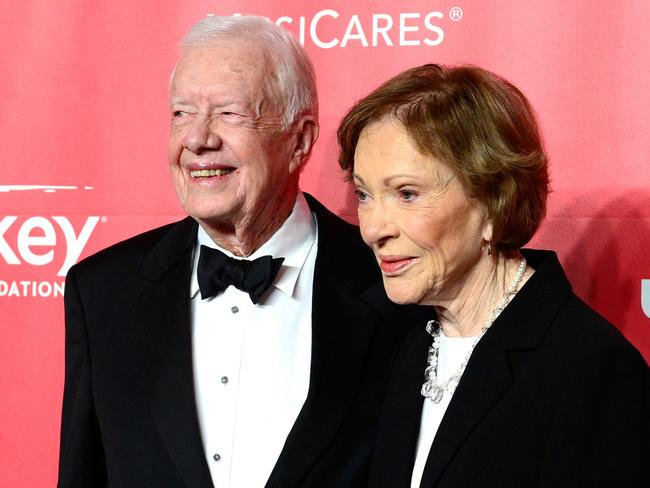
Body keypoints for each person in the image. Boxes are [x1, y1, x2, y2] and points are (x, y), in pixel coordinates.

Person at [57, 16, 428, 488]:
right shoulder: (102, 293)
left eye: (229, 113)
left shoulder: (395, 283)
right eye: (181, 114)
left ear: (300, 139)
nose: (197, 139)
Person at [337, 64, 650, 487]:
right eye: (364, 195)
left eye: (407, 194)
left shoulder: (591, 370)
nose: (373, 228)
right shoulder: (407, 350)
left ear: (494, 202)